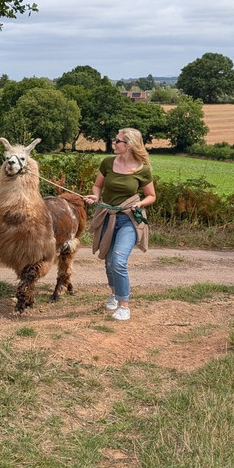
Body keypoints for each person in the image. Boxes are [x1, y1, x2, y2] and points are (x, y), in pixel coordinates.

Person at [83, 128, 156, 322]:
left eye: (118, 141)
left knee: (118, 260)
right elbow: (98, 185)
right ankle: (114, 293)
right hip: (108, 216)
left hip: (128, 219)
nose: (114, 143)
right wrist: (95, 196)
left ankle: (124, 305)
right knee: (108, 261)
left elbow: (151, 196)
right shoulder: (107, 163)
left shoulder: (142, 169)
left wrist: (139, 204)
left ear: (129, 145)